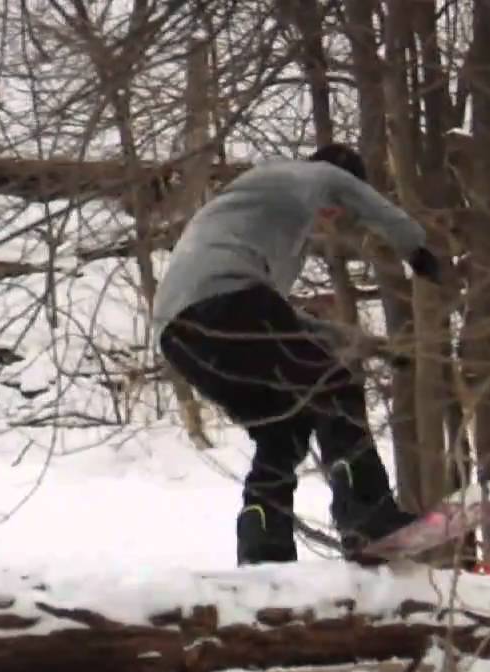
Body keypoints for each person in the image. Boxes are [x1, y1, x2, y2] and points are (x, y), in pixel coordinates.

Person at [152, 142, 441, 566]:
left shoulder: (260, 221)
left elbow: (277, 325)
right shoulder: (301, 175)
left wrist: (373, 347)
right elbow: (259, 311)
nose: (335, 216)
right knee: (334, 388)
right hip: (224, 303)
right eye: (338, 207)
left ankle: (263, 545)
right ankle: (366, 516)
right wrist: (416, 249)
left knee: (282, 430)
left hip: (181, 338)